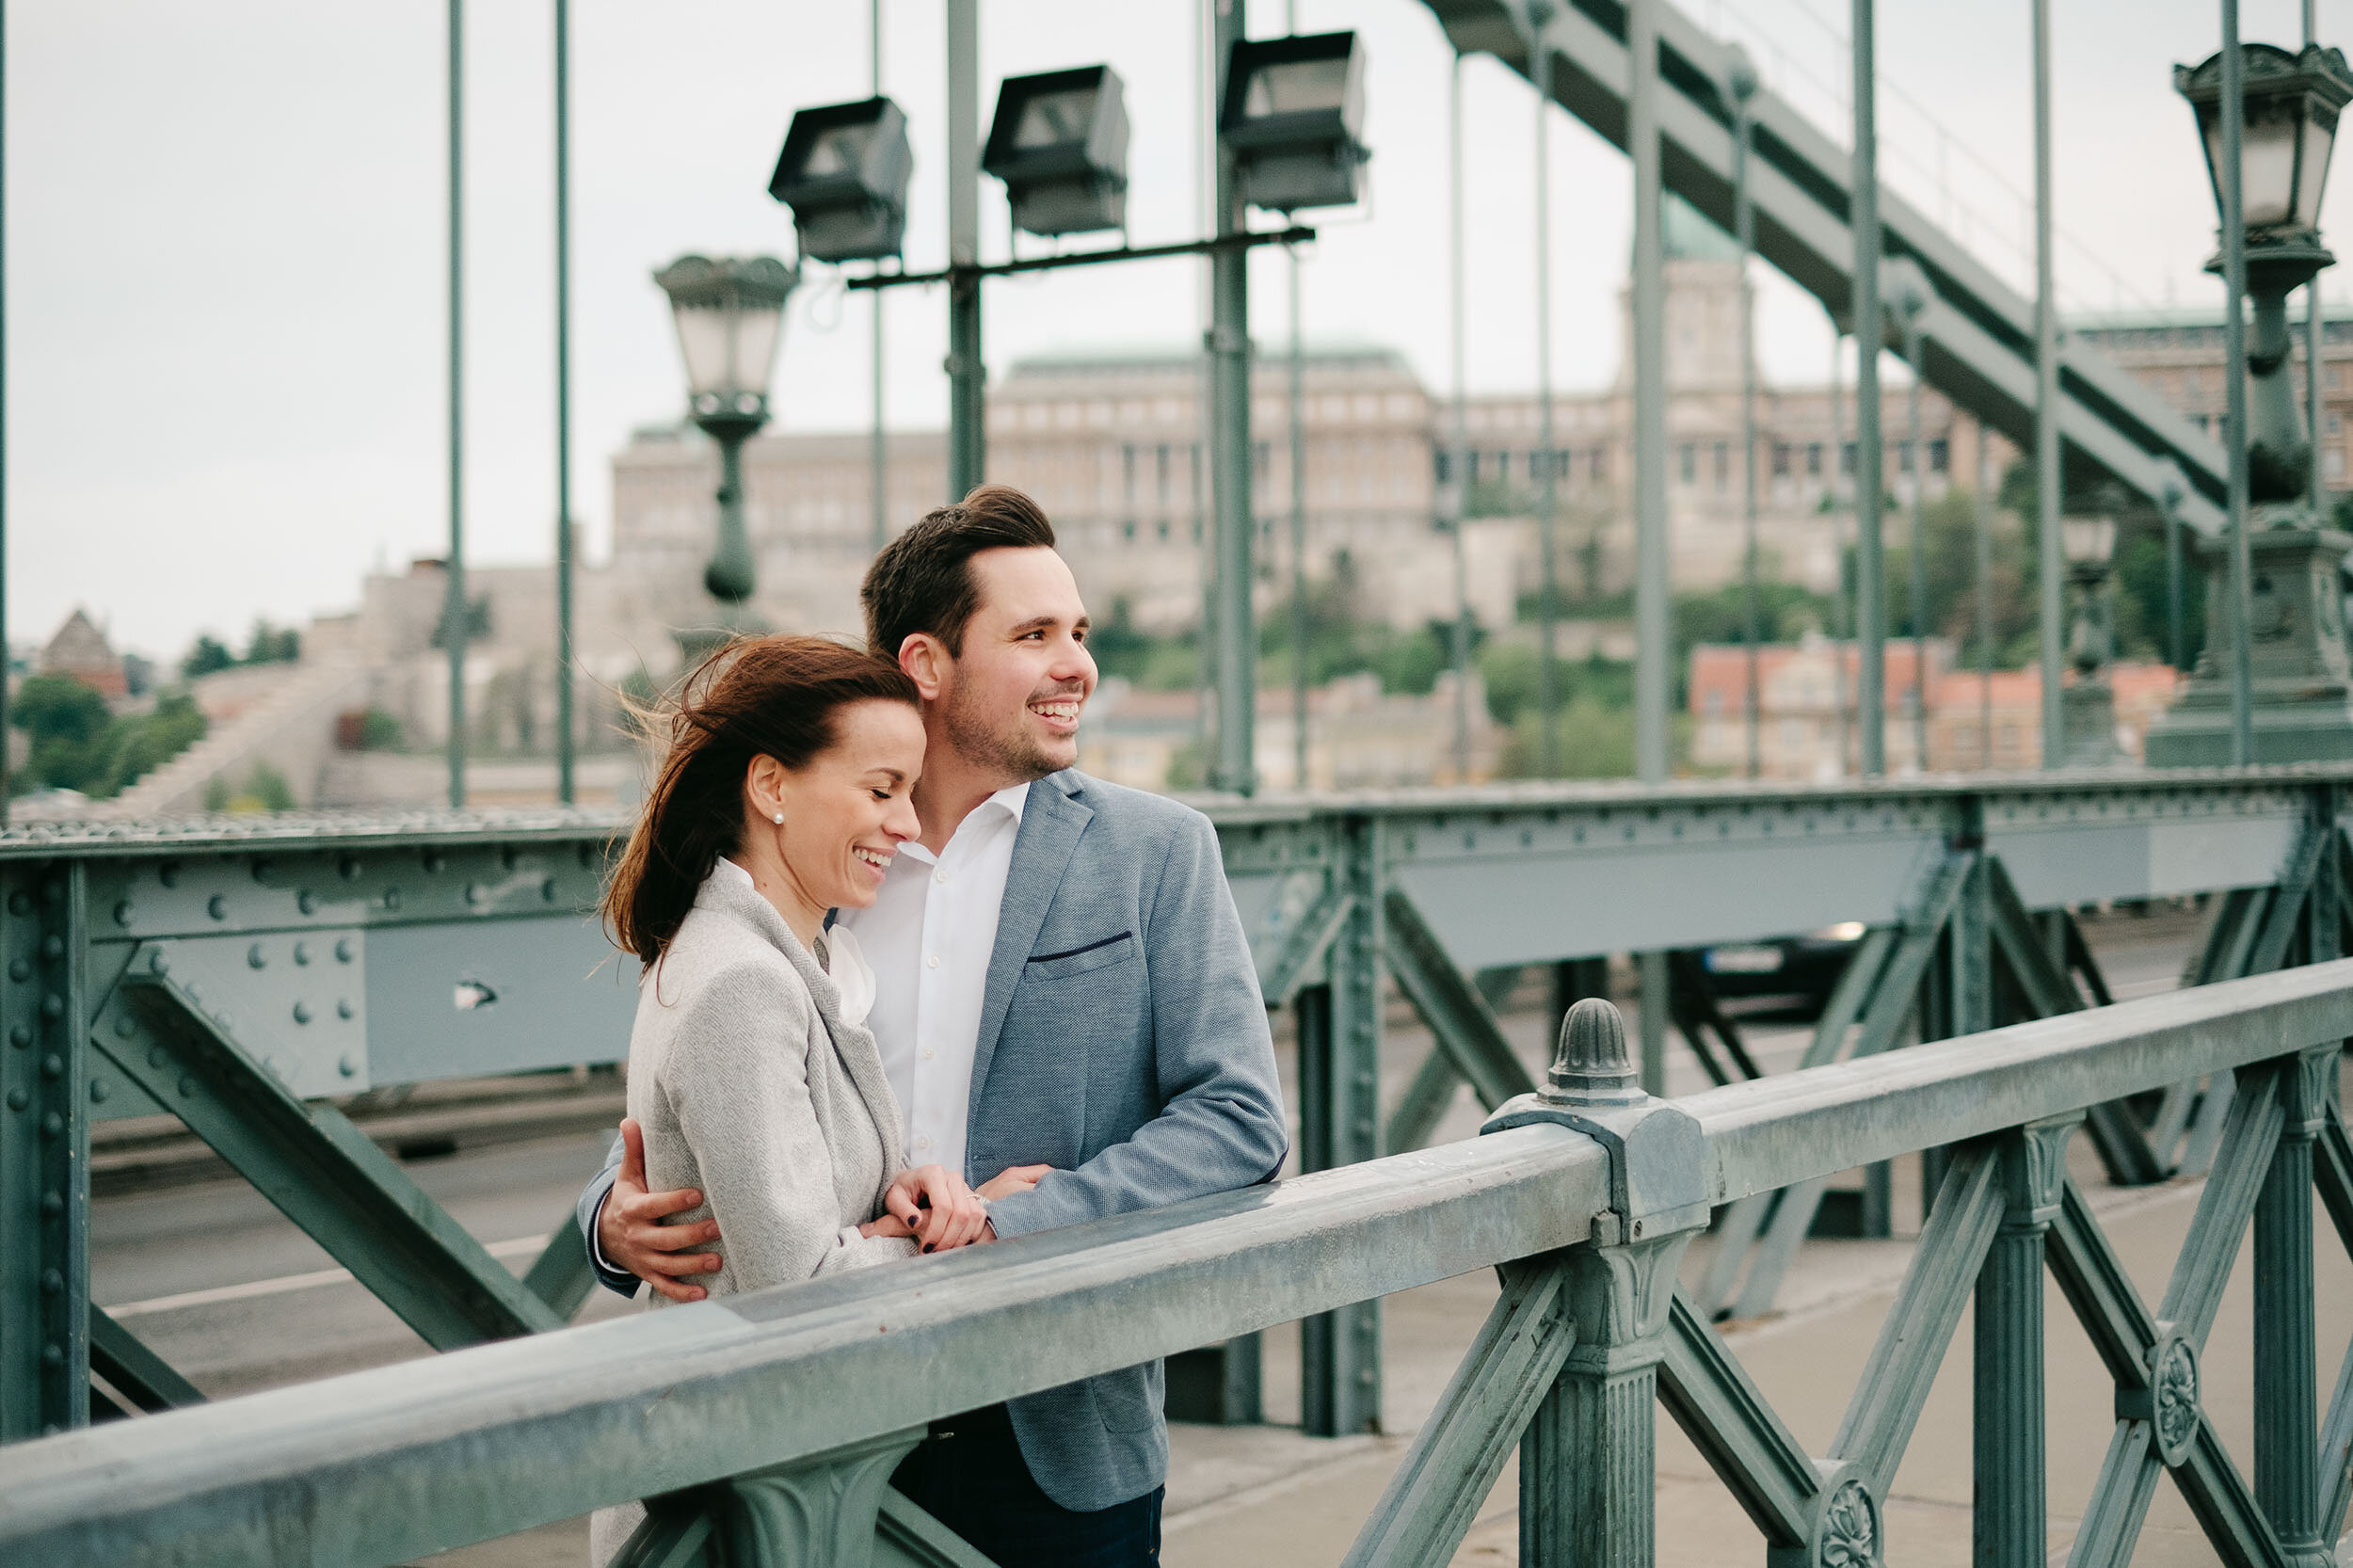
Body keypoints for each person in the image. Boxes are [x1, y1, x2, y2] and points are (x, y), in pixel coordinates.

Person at [579, 485, 1288, 1567]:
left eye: (1080, 634)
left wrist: (1015, 1227)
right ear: (926, 663)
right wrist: (609, 1218)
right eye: (1034, 634)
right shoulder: (829, 865)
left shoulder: (1158, 852)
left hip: (1060, 1427)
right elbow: (714, 1073)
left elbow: (1240, 1119)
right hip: (823, 1427)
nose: (1077, 665)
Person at [581, 635, 1022, 1561]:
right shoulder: (742, 980)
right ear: (772, 787)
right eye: (878, 788)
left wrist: (900, 1194)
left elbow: (804, 1221)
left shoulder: (790, 958)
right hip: (731, 1505)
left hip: (770, 1481)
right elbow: (805, 1289)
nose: (904, 823)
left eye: (908, 790)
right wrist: (981, 1232)